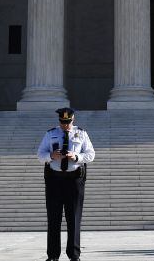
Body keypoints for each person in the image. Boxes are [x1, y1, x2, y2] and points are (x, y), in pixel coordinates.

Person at [38, 107, 95, 261]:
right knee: (53, 218)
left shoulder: (81, 133)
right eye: (63, 122)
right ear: (59, 121)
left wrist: (75, 156)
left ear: (73, 119)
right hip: (54, 180)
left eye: (68, 122)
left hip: (74, 180)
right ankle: (53, 256)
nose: (65, 125)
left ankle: (74, 255)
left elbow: (90, 154)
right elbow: (40, 154)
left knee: (74, 219)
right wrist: (51, 155)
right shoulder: (51, 134)